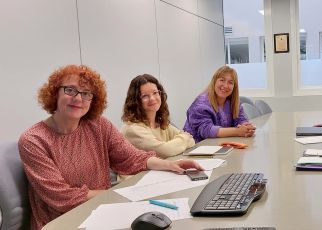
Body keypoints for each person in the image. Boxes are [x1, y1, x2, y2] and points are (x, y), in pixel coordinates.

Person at [18, 65, 203, 230]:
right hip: (62, 221)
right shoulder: (34, 140)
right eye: (70, 90)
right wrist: (116, 195)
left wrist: (172, 165)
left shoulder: (98, 125)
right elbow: (62, 197)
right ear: (54, 93)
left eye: (86, 93)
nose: (78, 98)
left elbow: (132, 157)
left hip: (103, 210)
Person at [121, 74, 195, 158]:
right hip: (143, 172)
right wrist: (183, 138)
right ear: (135, 101)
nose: (152, 98)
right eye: (145, 96)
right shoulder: (132, 130)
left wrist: (176, 143)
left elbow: (191, 141)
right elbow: (166, 151)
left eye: (155, 93)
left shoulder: (160, 123)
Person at [183, 65, 255, 142]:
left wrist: (246, 127)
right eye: (222, 80)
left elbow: (240, 119)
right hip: (195, 148)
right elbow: (206, 130)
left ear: (234, 87)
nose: (226, 85)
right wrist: (237, 131)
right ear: (214, 81)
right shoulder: (201, 103)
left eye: (230, 82)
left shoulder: (233, 102)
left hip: (218, 146)